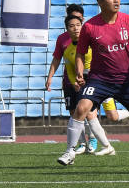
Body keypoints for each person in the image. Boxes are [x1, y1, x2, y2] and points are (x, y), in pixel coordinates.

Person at [57, 0, 129, 166]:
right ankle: (69, 152)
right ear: (100, 1)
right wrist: (80, 72)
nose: (116, 0)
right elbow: (80, 53)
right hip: (99, 79)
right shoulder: (89, 27)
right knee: (81, 108)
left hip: (125, 79)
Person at [46, 12, 100, 154]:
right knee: (74, 113)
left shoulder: (89, 36)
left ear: (82, 20)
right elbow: (57, 59)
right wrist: (50, 76)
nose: (76, 27)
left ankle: (94, 140)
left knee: (89, 112)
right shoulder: (62, 40)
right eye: (72, 24)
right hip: (69, 82)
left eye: (79, 22)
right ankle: (82, 143)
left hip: (90, 79)